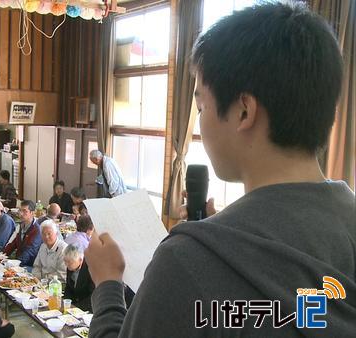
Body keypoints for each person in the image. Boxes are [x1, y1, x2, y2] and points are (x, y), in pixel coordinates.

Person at [85, 3, 356, 337]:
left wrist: (109, 285)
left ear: (244, 111)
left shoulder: (187, 261)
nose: (199, 120)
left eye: (201, 106)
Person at [3, 200, 42, 268]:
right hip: (19, 262)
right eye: (20, 210)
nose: (21, 213)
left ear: (32, 213)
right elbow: (13, 244)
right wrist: (2, 255)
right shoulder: (21, 226)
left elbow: (30, 251)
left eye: (24, 211)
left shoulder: (36, 230)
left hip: (29, 265)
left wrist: (16, 264)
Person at [63, 244, 94, 312]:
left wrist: (75, 308)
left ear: (80, 260)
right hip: (73, 305)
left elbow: (93, 296)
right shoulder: (71, 266)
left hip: (87, 308)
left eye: (69, 262)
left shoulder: (91, 268)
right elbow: (68, 287)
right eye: (65, 261)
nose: (66, 265)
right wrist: (66, 302)